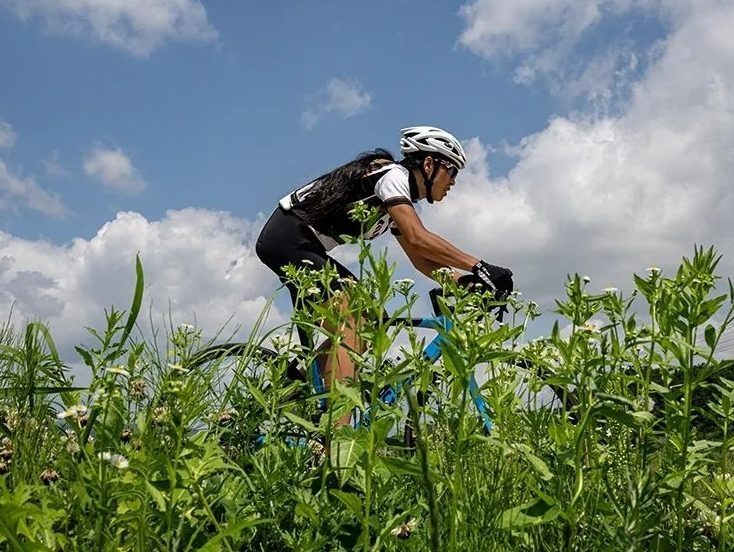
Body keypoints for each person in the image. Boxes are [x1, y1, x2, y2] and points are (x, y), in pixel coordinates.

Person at [255, 126, 513, 426]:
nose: (453, 182)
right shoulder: (392, 176)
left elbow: (420, 261)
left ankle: (309, 393)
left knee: (367, 324)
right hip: (287, 238)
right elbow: (419, 238)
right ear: (429, 165)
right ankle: (336, 437)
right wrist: (479, 265)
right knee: (351, 313)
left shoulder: (395, 201)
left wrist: (463, 281)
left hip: (306, 244)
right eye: (451, 171)